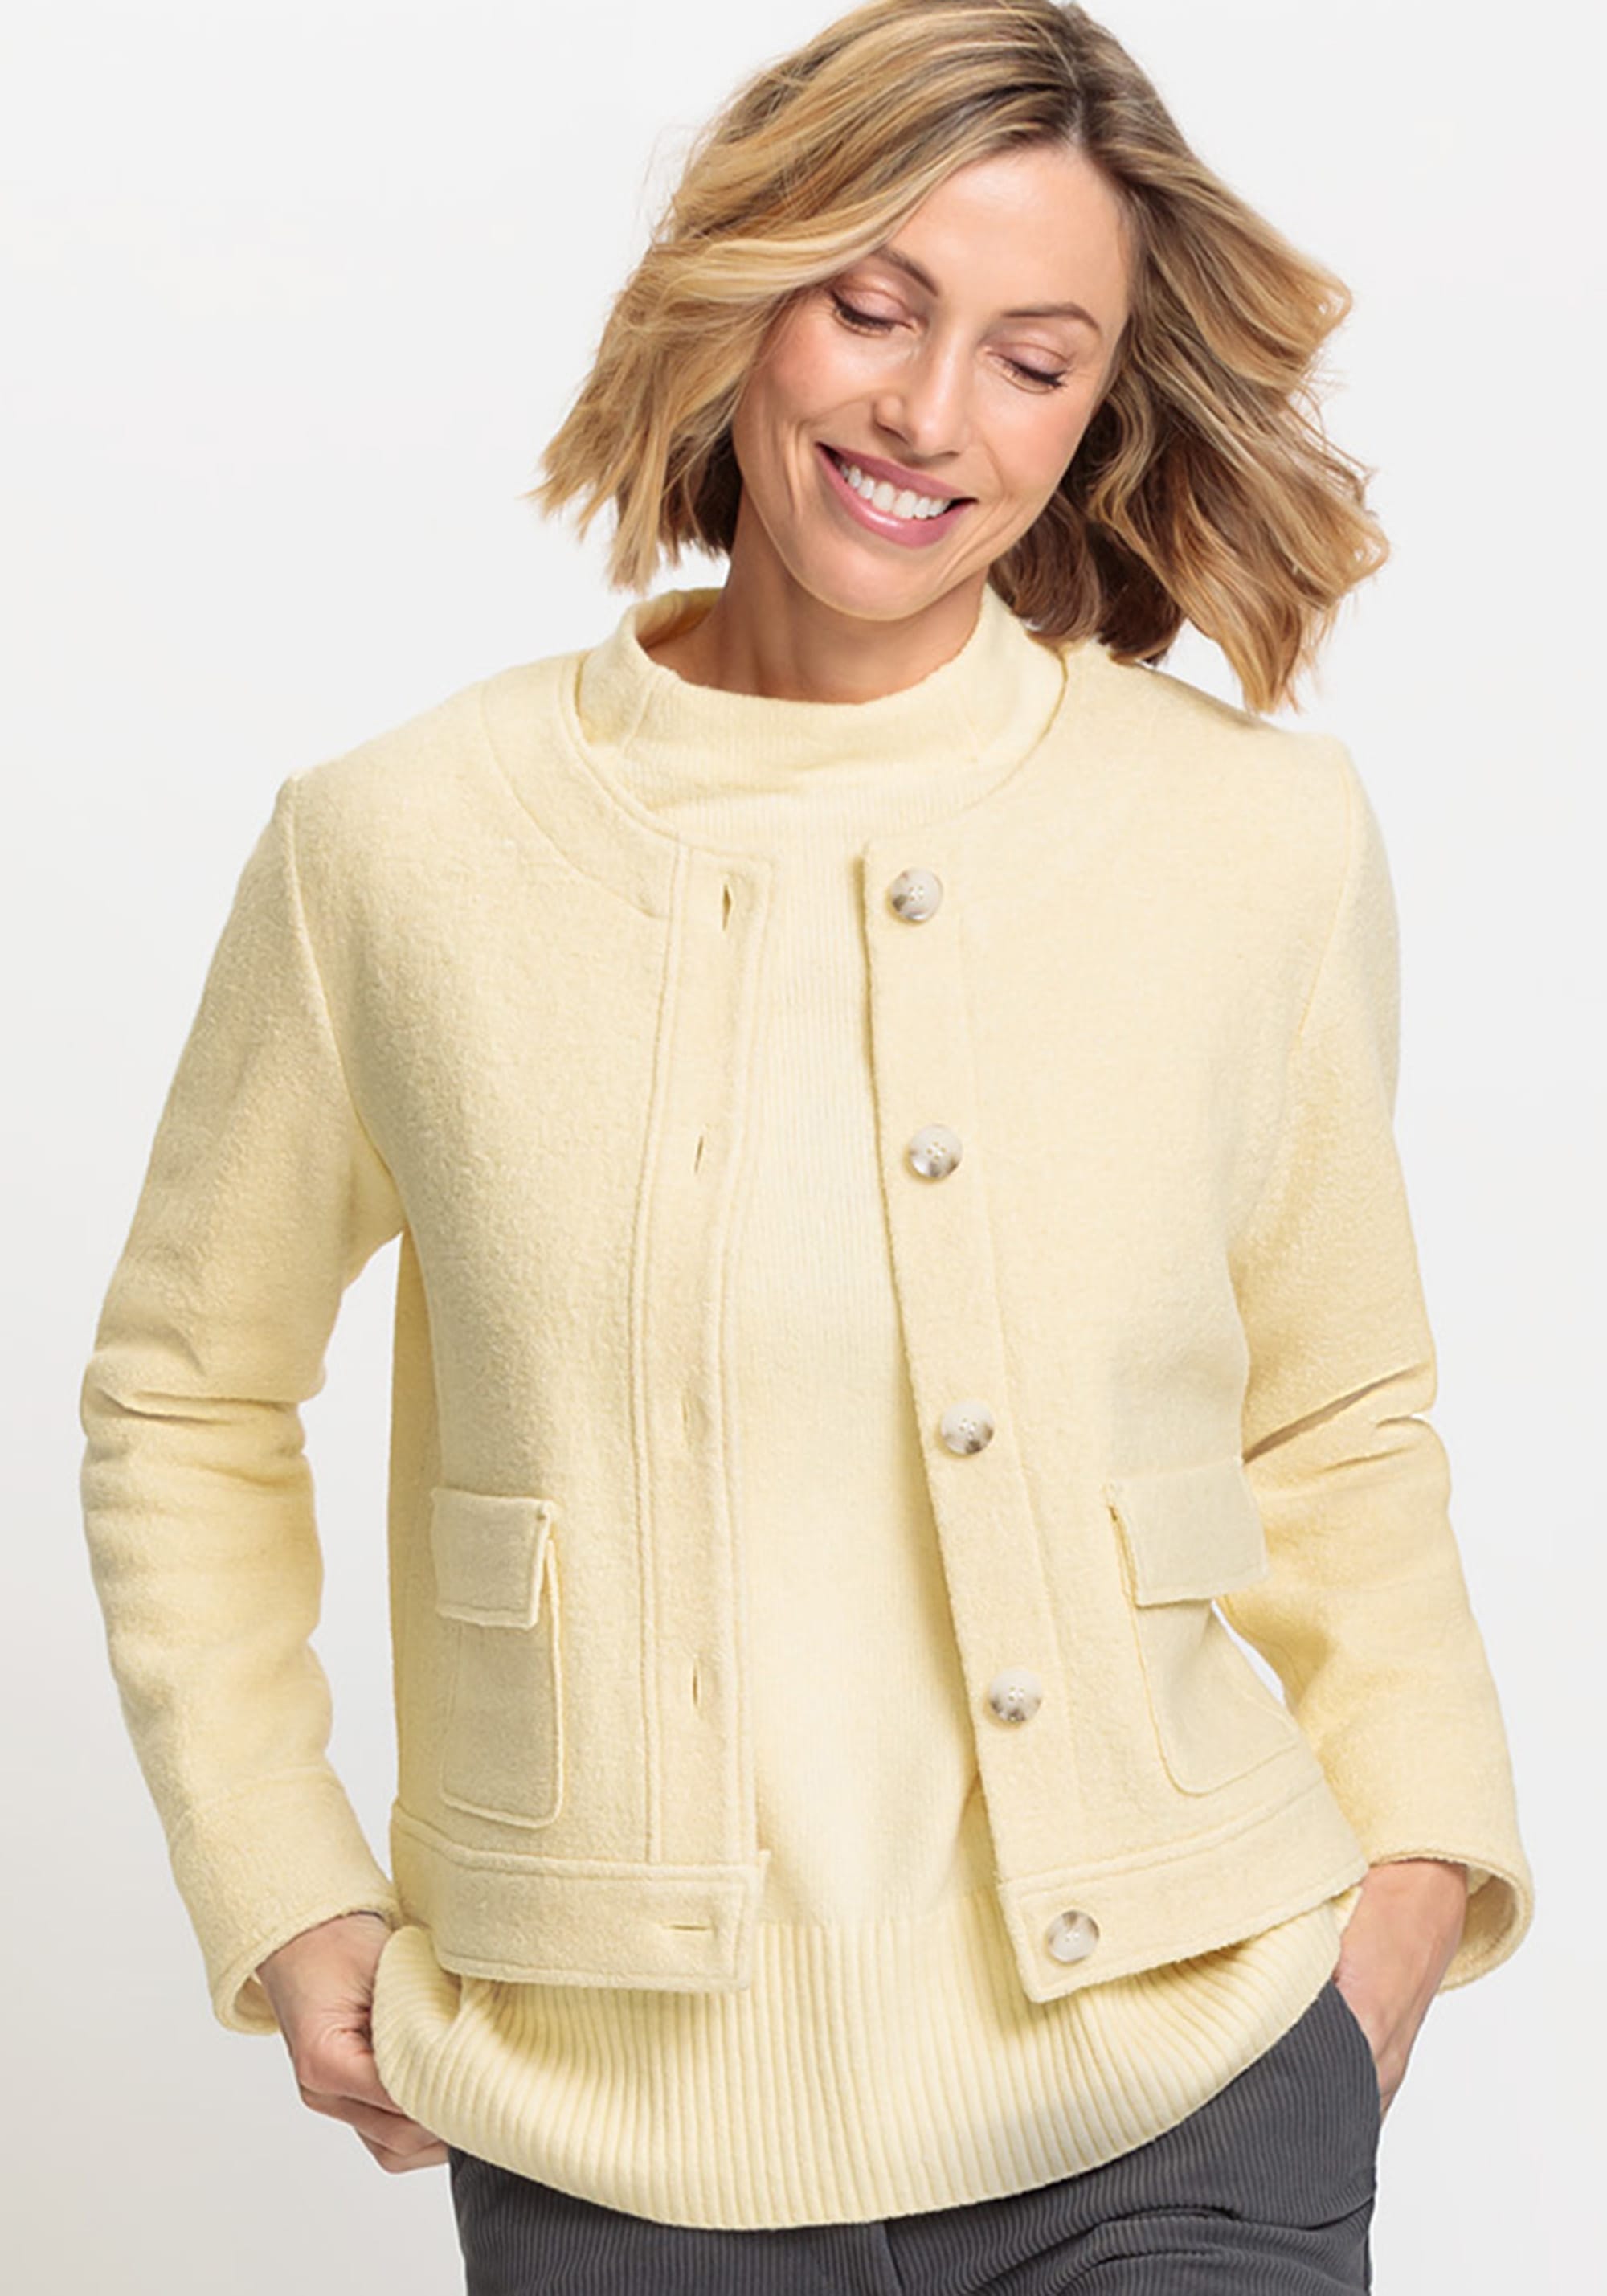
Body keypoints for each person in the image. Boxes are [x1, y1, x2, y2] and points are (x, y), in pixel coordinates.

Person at [78, 2, 1534, 2289]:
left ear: (1098, 410)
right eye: (872, 306)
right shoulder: (400, 851)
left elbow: (1339, 1412)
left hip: (1189, 2083)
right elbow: (185, 1392)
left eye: (1034, 360)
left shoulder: (1248, 840)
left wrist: (1413, 1887)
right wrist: (277, 1873)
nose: (931, 414)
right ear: (741, 291)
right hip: (612, 2143)